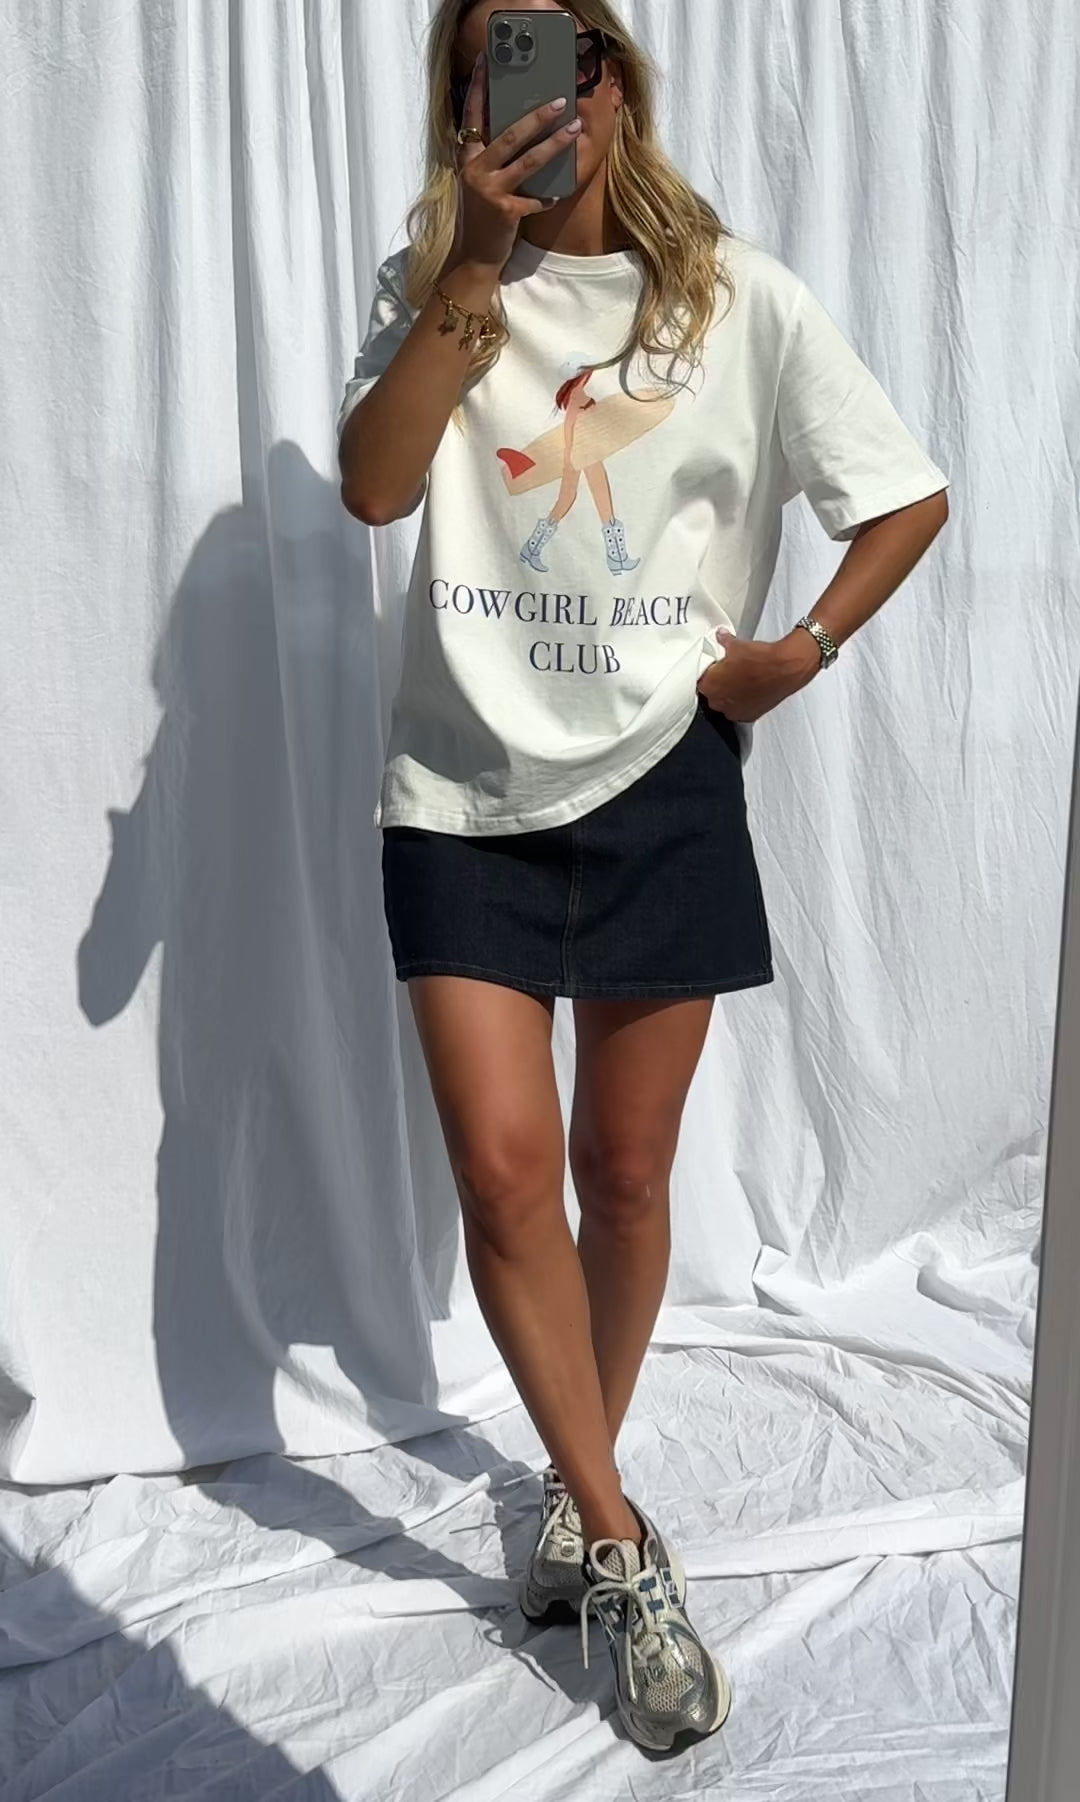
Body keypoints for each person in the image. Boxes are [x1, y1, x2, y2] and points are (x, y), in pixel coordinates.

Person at [337, 0, 949, 1756]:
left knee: (622, 1171)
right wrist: (475, 262)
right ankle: (617, 1539)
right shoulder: (439, 278)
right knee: (502, 1172)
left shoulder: (734, 299)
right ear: (467, 101)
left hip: (661, 776)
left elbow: (902, 495)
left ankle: (568, 1477)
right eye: (495, 66)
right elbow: (378, 488)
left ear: (616, 79)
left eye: (563, 58)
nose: (537, 96)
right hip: (458, 788)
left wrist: (799, 650)